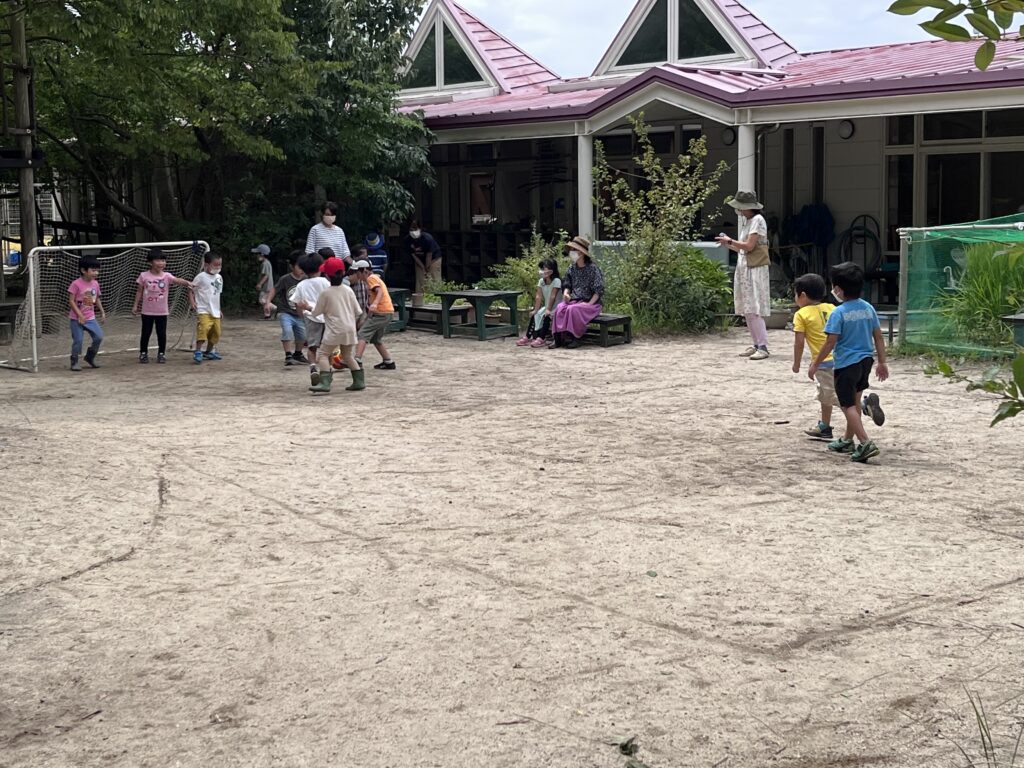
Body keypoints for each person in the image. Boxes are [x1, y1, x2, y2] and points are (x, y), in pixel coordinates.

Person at [808, 262, 890, 463]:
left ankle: (865, 442)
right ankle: (847, 439)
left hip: (846, 365)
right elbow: (879, 337)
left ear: (838, 289)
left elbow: (830, 342)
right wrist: (882, 362)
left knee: (847, 406)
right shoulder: (868, 308)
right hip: (865, 362)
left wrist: (815, 363)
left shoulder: (838, 313)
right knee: (855, 401)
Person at [717, 190, 771, 360]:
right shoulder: (749, 221)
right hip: (745, 267)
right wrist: (728, 244)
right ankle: (756, 343)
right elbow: (743, 248)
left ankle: (762, 346)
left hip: (754, 268)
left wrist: (730, 241)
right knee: (748, 308)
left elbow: (749, 246)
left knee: (754, 307)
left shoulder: (757, 220)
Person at [791, 273, 838, 439]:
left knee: (832, 395)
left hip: (822, 361)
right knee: (825, 394)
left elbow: (799, 343)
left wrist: (796, 364)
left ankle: (862, 405)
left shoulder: (801, 314)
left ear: (802, 295)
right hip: (840, 358)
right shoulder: (832, 308)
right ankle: (825, 426)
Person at [309, 258, 364, 393]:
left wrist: (306, 307)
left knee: (323, 354)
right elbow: (358, 311)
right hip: (350, 329)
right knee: (348, 356)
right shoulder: (348, 290)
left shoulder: (326, 293)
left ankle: (325, 383)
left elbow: (316, 312)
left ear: (327, 276)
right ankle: (359, 381)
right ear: (344, 273)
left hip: (334, 329)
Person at [132, 248, 193, 364]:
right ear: (150, 262)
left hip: (162, 311)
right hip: (147, 311)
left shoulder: (167, 276)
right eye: (158, 260)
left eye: (163, 260)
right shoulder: (144, 276)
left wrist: (187, 283)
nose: (161, 263)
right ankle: (143, 353)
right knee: (146, 333)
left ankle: (161, 353)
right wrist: (135, 305)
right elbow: (139, 291)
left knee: (161, 333)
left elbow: (177, 280)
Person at [550, 236, 603, 349]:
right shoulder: (572, 268)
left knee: (572, 309)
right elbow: (567, 284)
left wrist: (589, 304)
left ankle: (575, 338)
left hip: (592, 303)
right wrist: (566, 293)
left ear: (581, 252)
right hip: (574, 300)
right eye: (571, 250)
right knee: (560, 307)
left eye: (574, 250)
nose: (571, 252)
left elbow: (598, 290)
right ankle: (558, 338)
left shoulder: (593, 269)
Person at [291, 253, 329, 386]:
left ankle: (313, 367)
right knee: (327, 348)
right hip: (326, 317)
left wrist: (302, 316)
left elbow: (297, 303)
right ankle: (327, 371)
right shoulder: (325, 282)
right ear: (320, 267)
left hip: (310, 317)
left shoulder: (301, 285)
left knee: (312, 347)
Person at [351, 260, 396, 370]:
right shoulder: (373, 279)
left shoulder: (371, 278)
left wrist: (375, 303)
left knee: (362, 334)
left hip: (382, 313)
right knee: (376, 339)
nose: (357, 275)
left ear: (364, 271)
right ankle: (388, 361)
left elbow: (379, 291)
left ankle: (357, 359)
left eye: (357, 272)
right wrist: (367, 318)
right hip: (385, 312)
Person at [267, 250, 309, 367]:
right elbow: (274, 289)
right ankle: (288, 354)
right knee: (287, 331)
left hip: (300, 313)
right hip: (286, 312)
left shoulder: (306, 279)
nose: (302, 270)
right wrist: (268, 301)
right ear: (291, 266)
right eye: (299, 267)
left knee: (302, 335)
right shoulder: (285, 279)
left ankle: (298, 353)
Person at [67, 256, 106, 371]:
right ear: (83, 270)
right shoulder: (76, 284)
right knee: (78, 341)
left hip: (90, 318)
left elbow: (97, 298)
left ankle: (90, 357)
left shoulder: (95, 284)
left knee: (99, 337)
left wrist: (102, 312)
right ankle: (74, 361)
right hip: (76, 319)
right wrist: (79, 315)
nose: (96, 273)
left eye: (97, 270)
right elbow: (71, 301)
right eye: (93, 270)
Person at [517, 258, 561, 348]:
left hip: (557, 307)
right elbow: (538, 296)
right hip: (547, 306)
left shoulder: (557, 281)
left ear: (551, 270)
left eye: (543, 268)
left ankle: (541, 338)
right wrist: (536, 310)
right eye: (541, 268)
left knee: (547, 316)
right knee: (536, 314)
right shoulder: (541, 281)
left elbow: (553, 296)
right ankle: (528, 336)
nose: (541, 271)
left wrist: (548, 310)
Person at [191, 252, 224, 364]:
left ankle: (208, 351)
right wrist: (192, 302)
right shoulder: (201, 277)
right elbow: (190, 289)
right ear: (206, 264)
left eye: (220, 265)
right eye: (215, 265)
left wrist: (219, 309)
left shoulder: (219, 277)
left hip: (215, 311)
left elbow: (217, 294)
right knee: (203, 329)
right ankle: (198, 351)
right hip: (203, 309)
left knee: (216, 332)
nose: (218, 267)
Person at [407, 221, 442, 295]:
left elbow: (429, 255)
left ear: (420, 229)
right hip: (419, 260)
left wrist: (427, 267)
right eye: (411, 230)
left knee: (434, 277)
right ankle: (420, 296)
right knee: (420, 279)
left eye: (415, 229)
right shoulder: (408, 240)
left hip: (434, 259)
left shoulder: (427, 238)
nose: (413, 232)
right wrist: (423, 267)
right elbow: (413, 255)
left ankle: (436, 296)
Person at [253, 244, 275, 319]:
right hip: (268, 286)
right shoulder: (266, 263)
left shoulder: (265, 263)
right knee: (265, 300)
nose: (256, 256)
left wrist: (260, 284)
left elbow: (266, 275)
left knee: (262, 300)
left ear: (262, 254)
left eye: (258, 254)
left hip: (267, 286)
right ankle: (267, 315)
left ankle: (275, 308)